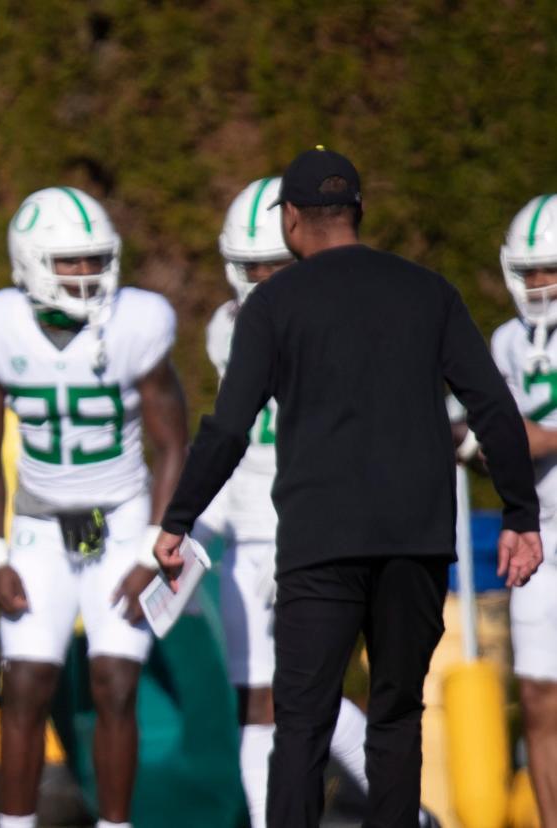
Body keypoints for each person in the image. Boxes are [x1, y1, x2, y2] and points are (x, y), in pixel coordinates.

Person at [154, 147, 543, 827]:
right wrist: (520, 514)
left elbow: (227, 429)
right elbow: (492, 410)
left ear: (292, 220)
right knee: (395, 718)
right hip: (414, 541)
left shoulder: (272, 305)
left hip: (320, 543)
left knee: (300, 724)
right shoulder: (430, 292)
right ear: (359, 212)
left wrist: (178, 520)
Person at [210, 177, 438, 827]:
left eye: (273, 268)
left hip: (314, 525)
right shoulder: (224, 328)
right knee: (258, 699)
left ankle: (402, 810)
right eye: (251, 269)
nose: (263, 282)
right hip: (251, 526)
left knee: (302, 696)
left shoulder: (356, 319)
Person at [0, 186, 188, 828]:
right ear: (30, 263)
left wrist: (152, 547)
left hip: (119, 519)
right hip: (38, 522)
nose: (88, 274)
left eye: (95, 259)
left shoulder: (137, 323)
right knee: (27, 685)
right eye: (71, 262)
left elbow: (174, 447)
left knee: (115, 684)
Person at [494, 194, 557, 825]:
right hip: (542, 540)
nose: (539, 285)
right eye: (530, 271)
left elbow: (532, 435)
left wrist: (540, 437)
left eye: (551, 271)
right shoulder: (507, 341)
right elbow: (502, 436)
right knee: (538, 698)